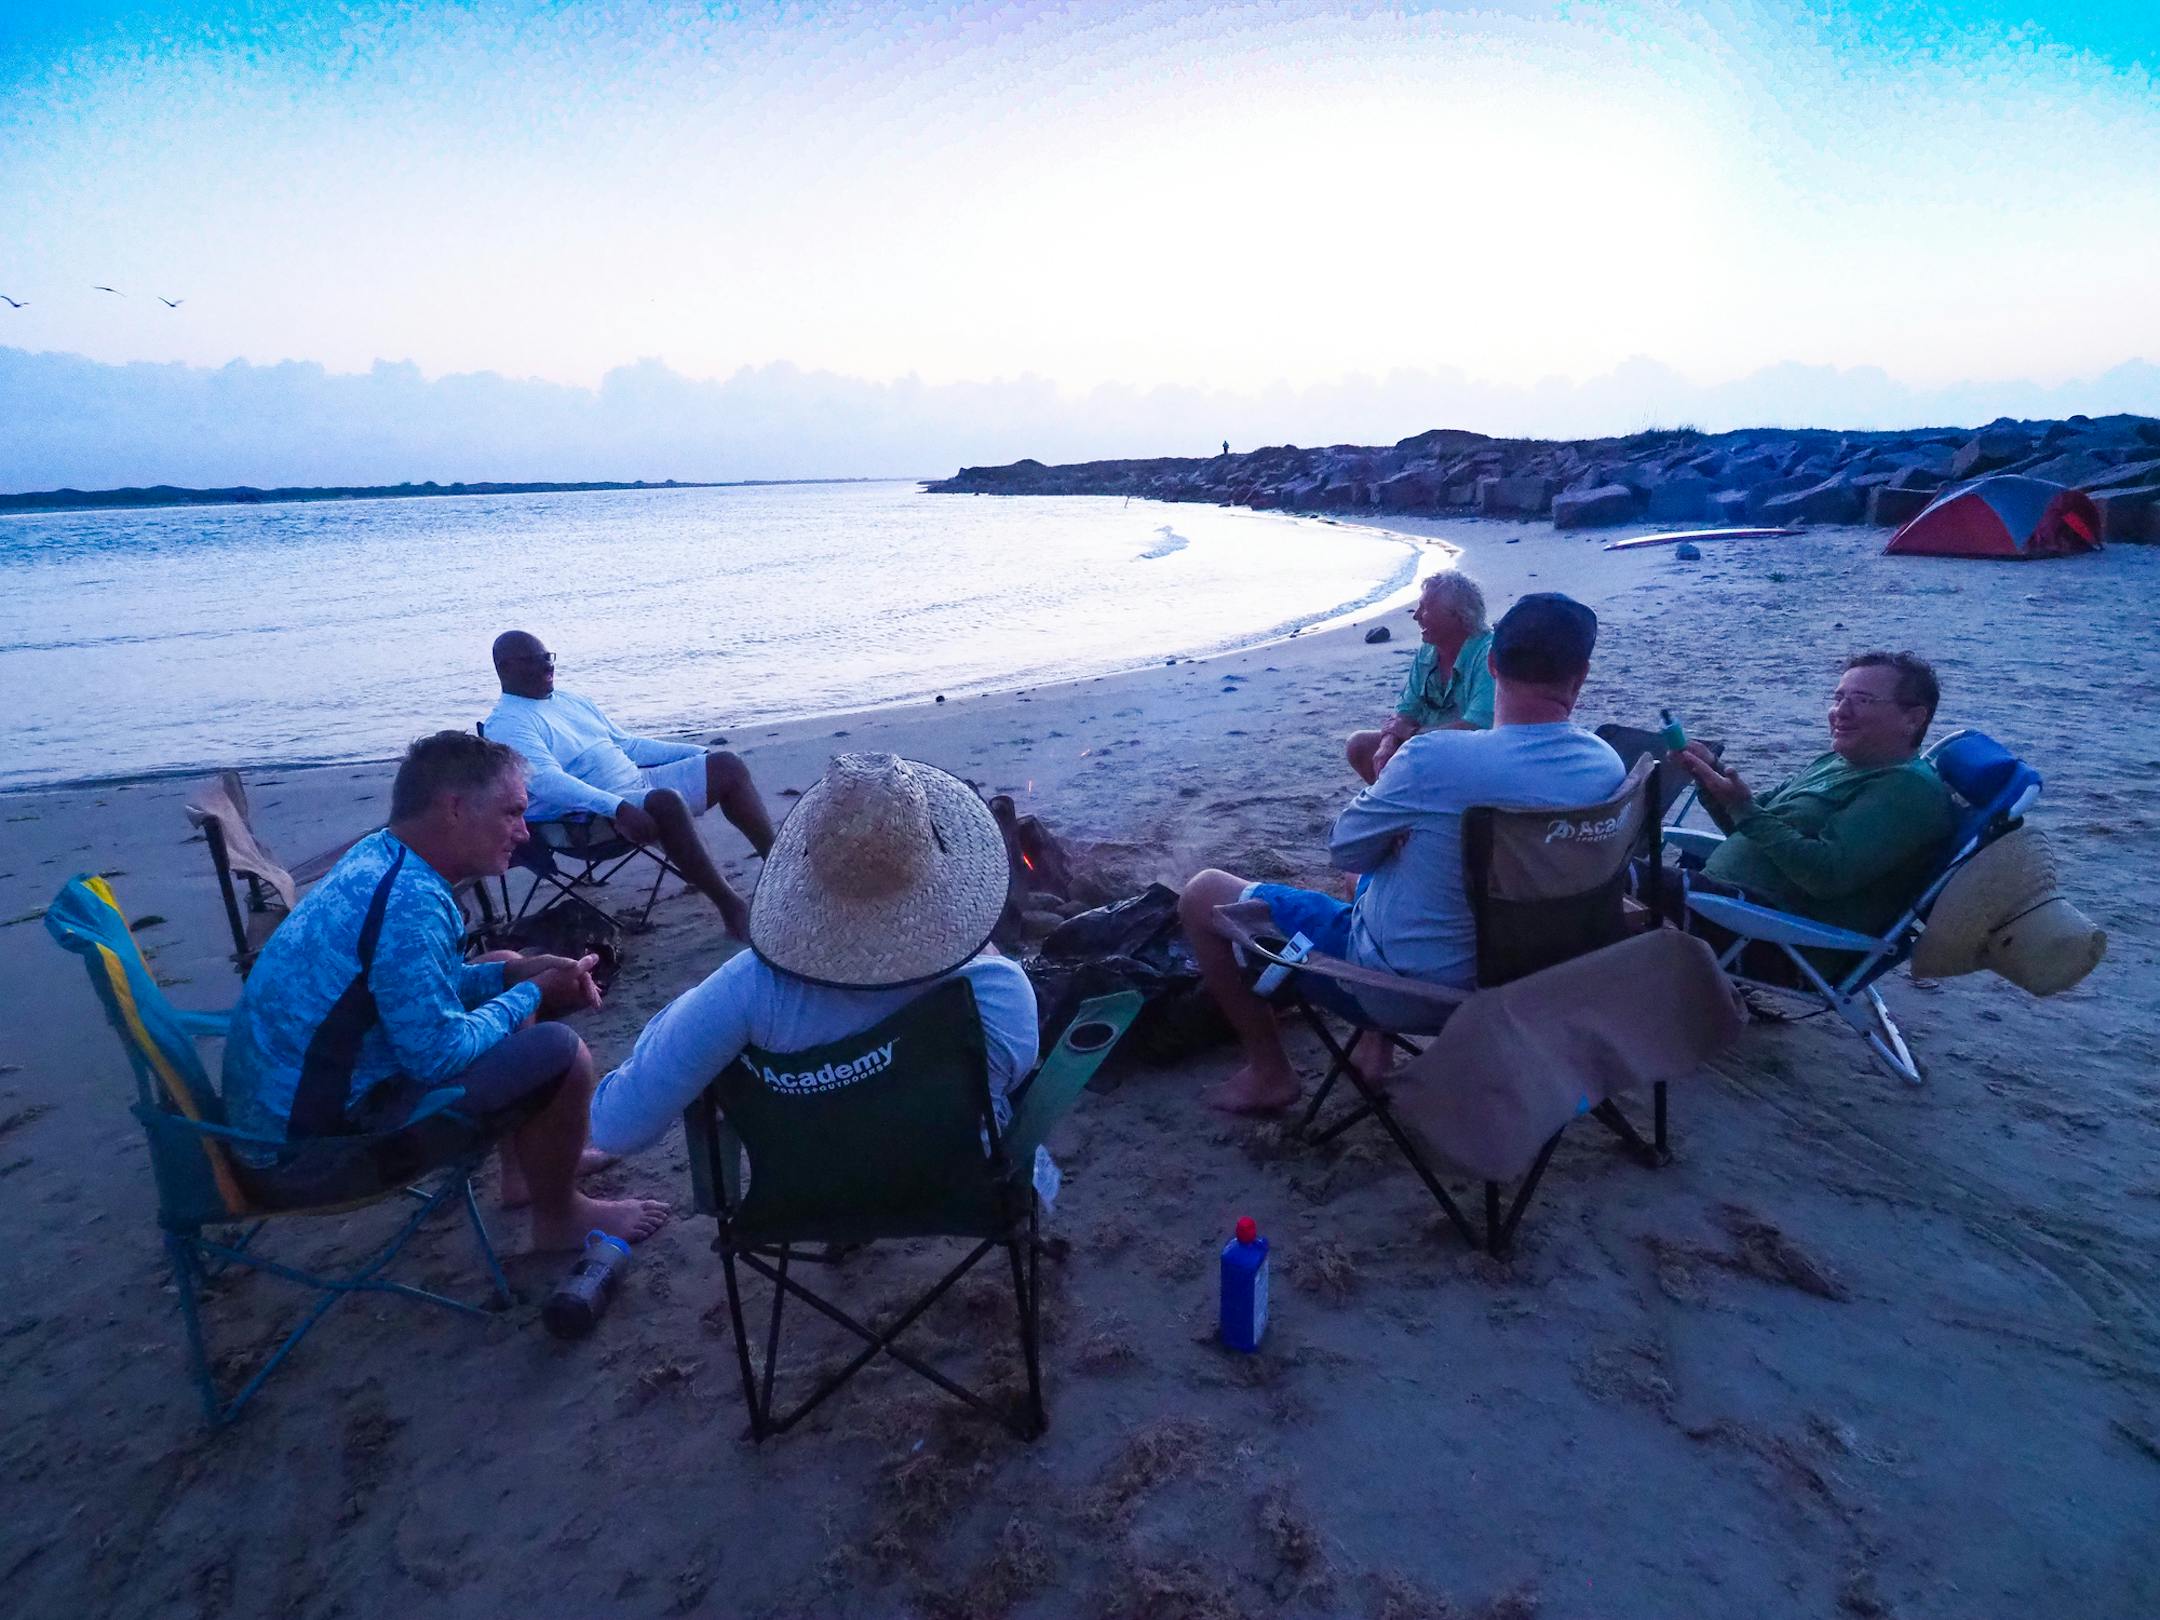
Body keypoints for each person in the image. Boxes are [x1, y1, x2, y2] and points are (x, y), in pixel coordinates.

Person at [1179, 592, 1624, 1113]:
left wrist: (1399, 837)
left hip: (1414, 995)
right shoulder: (1606, 765)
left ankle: (1270, 1073)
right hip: (1537, 984)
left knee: (1202, 892)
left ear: (1495, 664)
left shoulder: (1435, 759)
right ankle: (1374, 1050)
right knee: (1370, 883)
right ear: (1582, 674)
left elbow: (1346, 846)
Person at [221, 731, 668, 1249]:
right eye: (511, 813)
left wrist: (508, 978)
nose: (524, 833)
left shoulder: (384, 856)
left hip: (281, 1128)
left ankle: (526, 1172)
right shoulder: (409, 903)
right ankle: (560, 1219)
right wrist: (533, 994)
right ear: (454, 808)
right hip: (313, 1158)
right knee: (562, 1056)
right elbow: (436, 1056)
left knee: (504, 963)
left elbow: (407, 987)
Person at [588, 752, 1039, 1154]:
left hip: (804, 1199)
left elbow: (615, 1129)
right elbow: (1012, 1081)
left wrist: (663, 1031)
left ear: (805, 867)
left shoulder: (750, 990)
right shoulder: (998, 991)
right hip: (963, 1189)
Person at [483, 631, 776, 937]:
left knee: (727, 765)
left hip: (637, 785)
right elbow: (546, 781)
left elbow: (628, 745)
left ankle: (779, 864)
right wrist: (617, 806)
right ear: (505, 668)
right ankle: (732, 907)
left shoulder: (569, 700)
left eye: (547, 657)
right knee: (665, 801)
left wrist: (698, 753)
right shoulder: (508, 723)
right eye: (533, 660)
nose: (546, 666)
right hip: (588, 818)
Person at [1678, 651, 1954, 939]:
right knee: (1630, 873)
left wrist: (1742, 807)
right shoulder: (1835, 762)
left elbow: (1826, 875)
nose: (1840, 712)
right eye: (1838, 698)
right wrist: (1711, 777)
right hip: (1723, 906)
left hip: (1773, 935)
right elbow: (1751, 827)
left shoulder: (1907, 790)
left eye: (1862, 700)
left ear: (1913, 718)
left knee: (1628, 884)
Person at [1345, 572, 1495, 785]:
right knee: (1359, 745)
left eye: (1425, 609)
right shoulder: (1428, 651)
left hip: (1469, 753)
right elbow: (1407, 709)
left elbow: (1478, 727)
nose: (1416, 616)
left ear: (1458, 615)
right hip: (1421, 743)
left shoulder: (1487, 655)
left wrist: (1413, 734)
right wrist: (1388, 744)